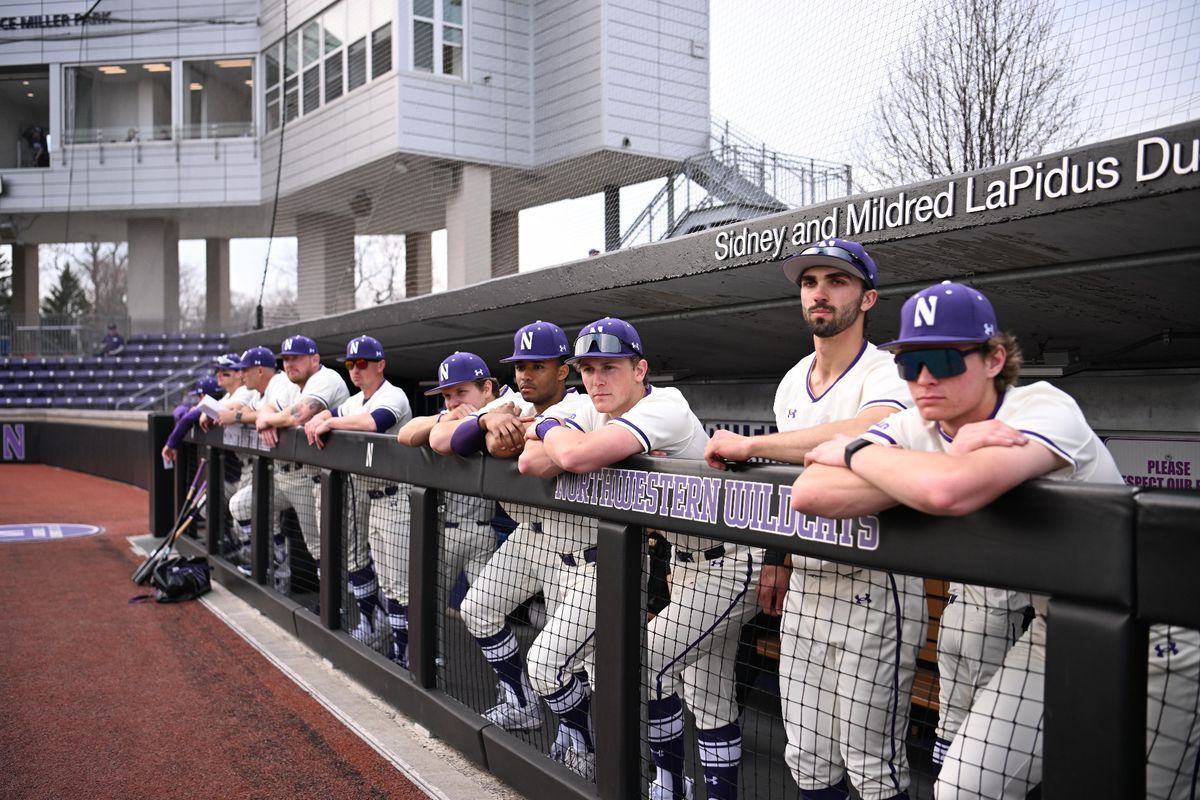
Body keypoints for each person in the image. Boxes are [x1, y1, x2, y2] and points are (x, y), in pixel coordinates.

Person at [791, 281, 1199, 798]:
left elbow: (948, 492)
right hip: (1056, 628)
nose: (921, 379)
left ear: (993, 358)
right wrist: (938, 457)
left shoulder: (1042, 407)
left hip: (1155, 636)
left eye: (940, 359)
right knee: (963, 788)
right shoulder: (921, 423)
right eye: (907, 363)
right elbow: (810, 491)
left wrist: (853, 452)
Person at [703, 238, 920, 800]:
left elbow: (866, 428)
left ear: (867, 298)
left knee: (871, 766)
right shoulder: (792, 379)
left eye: (837, 281)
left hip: (876, 583)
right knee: (807, 756)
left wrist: (753, 446)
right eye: (809, 282)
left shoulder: (888, 371)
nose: (819, 292)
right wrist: (777, 559)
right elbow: (789, 480)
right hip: (808, 584)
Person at [519, 317, 751, 796]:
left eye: (610, 367)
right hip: (685, 565)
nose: (597, 380)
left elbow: (574, 459)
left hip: (731, 561)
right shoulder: (594, 412)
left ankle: (669, 785)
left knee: (642, 663)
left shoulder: (665, 405)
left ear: (640, 369)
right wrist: (563, 434)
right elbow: (530, 462)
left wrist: (547, 423)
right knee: (708, 695)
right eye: (587, 369)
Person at [430, 322, 582, 735]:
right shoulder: (510, 402)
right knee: (477, 609)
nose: (525, 375)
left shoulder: (582, 406)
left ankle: (580, 742)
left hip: (577, 543)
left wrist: (498, 430)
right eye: (520, 367)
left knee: (570, 660)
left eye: (537, 366)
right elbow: (445, 440)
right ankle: (520, 702)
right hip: (527, 535)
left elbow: (524, 453)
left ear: (563, 370)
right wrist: (482, 424)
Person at [391, 352, 503, 667]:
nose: (453, 401)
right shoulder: (446, 419)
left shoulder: (501, 413)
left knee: (489, 612)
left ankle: (512, 691)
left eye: (461, 392)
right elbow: (406, 434)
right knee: (426, 602)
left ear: (487, 389)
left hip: (483, 530)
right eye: (447, 395)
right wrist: (448, 417)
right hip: (446, 529)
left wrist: (469, 419)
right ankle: (426, 662)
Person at [303, 335, 413, 650]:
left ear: (381, 364)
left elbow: (374, 423)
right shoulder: (354, 400)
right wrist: (323, 416)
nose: (355, 370)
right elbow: (337, 411)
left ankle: (408, 653)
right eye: (351, 364)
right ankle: (391, 641)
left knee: (400, 585)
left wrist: (331, 423)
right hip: (371, 500)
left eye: (362, 363)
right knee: (388, 581)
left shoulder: (395, 394)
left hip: (397, 497)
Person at [254, 335, 351, 593]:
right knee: (324, 547)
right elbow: (265, 411)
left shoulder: (325, 379)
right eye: (285, 359)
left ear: (315, 359)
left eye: (295, 358)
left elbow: (300, 414)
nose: (289, 364)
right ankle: (335, 602)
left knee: (345, 551)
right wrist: (268, 420)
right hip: (308, 476)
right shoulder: (290, 385)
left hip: (339, 478)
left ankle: (342, 608)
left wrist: (270, 420)